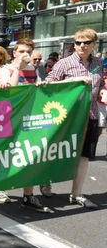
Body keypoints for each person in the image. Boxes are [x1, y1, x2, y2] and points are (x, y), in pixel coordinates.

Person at [45, 28, 103, 209]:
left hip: (90, 115)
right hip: (66, 116)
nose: (81, 46)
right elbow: (48, 85)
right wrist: (75, 82)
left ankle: (76, 193)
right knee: (57, 152)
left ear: (94, 44)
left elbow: (98, 86)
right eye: (78, 42)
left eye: (86, 42)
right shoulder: (64, 63)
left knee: (84, 156)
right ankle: (45, 180)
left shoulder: (98, 63)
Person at [0, 38, 52, 212]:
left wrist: (40, 85)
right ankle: (0, 188)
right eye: (21, 51)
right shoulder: (5, 69)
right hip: (9, 120)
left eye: (28, 52)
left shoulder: (33, 70)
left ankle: (28, 195)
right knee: (5, 155)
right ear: (14, 53)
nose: (25, 55)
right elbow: (12, 89)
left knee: (30, 156)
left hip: (28, 119)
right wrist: (18, 69)